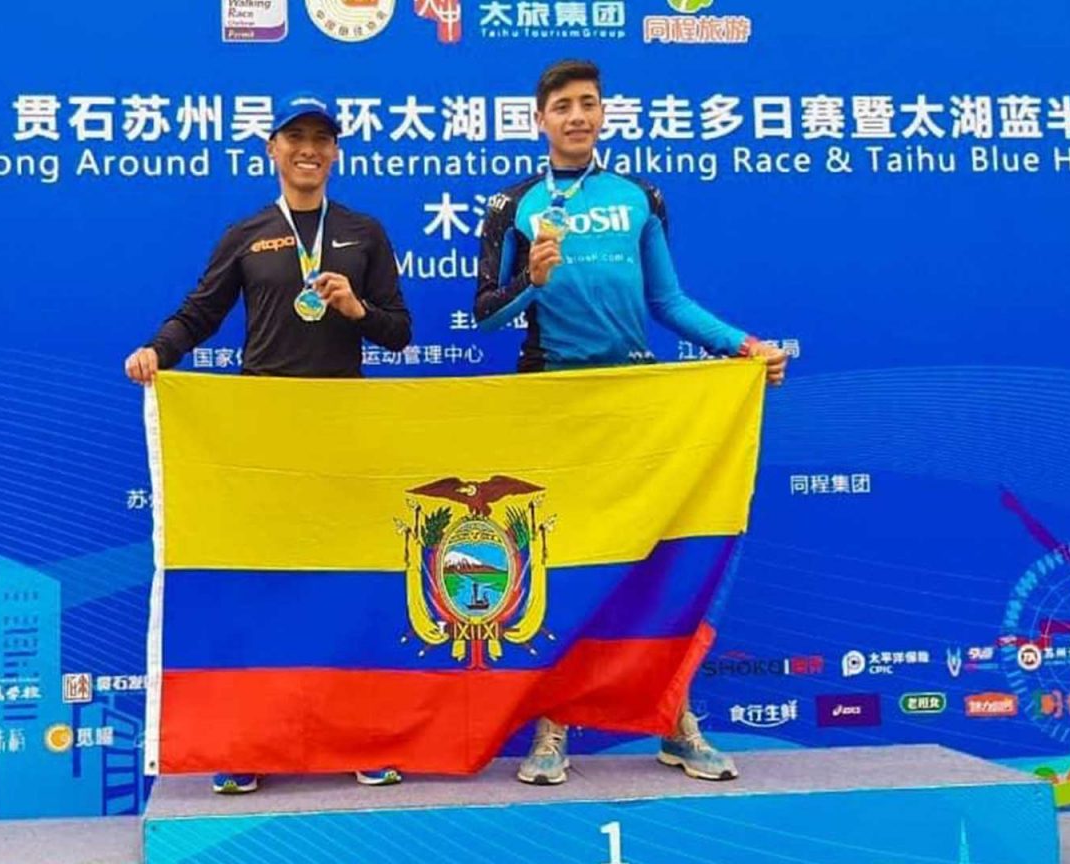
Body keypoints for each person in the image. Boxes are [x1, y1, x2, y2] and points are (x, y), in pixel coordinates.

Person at [473, 59, 788, 786]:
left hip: (639, 402)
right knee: (567, 567)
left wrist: (743, 347)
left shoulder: (640, 197)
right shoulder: (514, 205)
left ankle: (676, 723)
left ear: (603, 114)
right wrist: (532, 282)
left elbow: (668, 302)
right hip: (555, 402)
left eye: (588, 103)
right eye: (562, 106)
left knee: (657, 568)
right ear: (540, 120)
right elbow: (486, 313)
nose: (577, 116)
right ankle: (553, 729)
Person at [124, 93, 412, 794]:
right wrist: (157, 350)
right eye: (295, 138)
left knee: (343, 588)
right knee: (263, 590)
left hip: (340, 430)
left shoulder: (364, 232)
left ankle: (357, 738)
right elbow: (200, 313)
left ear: (335, 152)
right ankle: (250, 743)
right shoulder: (248, 234)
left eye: (321, 138)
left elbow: (399, 332)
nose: (309, 149)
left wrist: (356, 309)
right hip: (263, 435)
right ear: (273, 150)